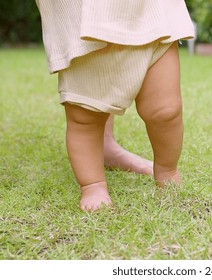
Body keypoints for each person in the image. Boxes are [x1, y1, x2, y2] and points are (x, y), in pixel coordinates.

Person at [35, 0, 194, 211]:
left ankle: (167, 170)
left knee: (165, 110)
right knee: (86, 117)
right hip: (84, 28)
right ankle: (93, 185)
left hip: (153, 17)